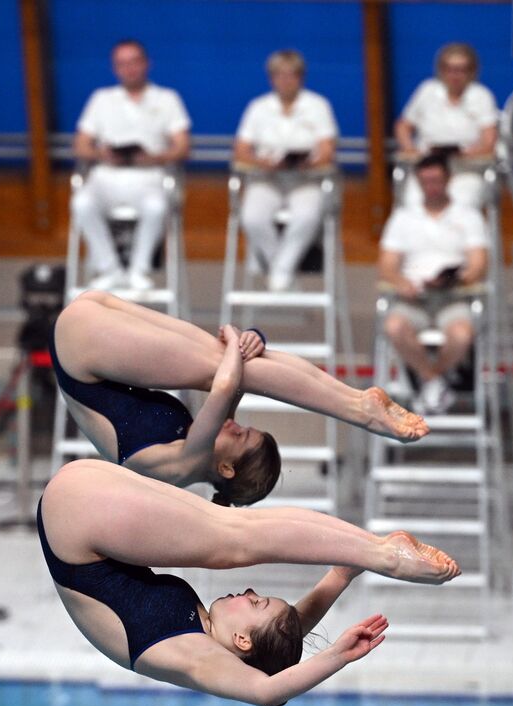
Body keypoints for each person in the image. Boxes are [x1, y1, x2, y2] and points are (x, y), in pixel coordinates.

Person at [37, 459, 459, 706]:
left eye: (256, 604)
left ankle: (380, 553)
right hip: (81, 506)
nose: (251, 593)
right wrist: (339, 576)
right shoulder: (216, 635)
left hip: (76, 517)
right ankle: (368, 551)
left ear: (240, 640)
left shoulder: (194, 656)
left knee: (235, 540)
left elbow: (266, 691)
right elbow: (283, 631)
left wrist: (336, 657)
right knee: (233, 530)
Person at [52, 291, 429, 505]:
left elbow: (225, 385)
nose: (235, 425)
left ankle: (358, 408)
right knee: (237, 361)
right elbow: (236, 384)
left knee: (228, 364)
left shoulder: (183, 465)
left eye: (241, 436)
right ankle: (357, 402)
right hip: (91, 316)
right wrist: (254, 338)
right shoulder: (206, 451)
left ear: (227, 469)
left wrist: (236, 339)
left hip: (81, 346)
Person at [71, 39, 191, 292]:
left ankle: (140, 268)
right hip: (107, 174)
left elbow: (182, 146)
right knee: (81, 202)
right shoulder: (101, 99)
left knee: (157, 206)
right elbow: (80, 145)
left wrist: (155, 157)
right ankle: (109, 268)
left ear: (147, 63)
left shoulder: (167, 98)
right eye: (122, 64)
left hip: (149, 175)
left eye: (135, 62)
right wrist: (101, 153)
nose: (130, 68)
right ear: (115, 68)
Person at [378, 155, 489, 414]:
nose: (432, 186)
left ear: (448, 180)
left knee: (462, 334)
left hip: (453, 296)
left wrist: (457, 278)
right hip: (413, 298)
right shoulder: (403, 218)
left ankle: (431, 380)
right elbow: (386, 266)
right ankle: (433, 380)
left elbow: (479, 264)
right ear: (418, 182)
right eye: (425, 181)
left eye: (436, 180)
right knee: (393, 326)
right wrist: (401, 282)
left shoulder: (469, 217)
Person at [233, 49, 339, 292]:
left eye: (291, 75)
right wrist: (261, 162)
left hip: (305, 178)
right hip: (266, 178)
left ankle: (281, 270)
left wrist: (309, 162)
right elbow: (241, 149)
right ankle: (280, 270)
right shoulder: (258, 107)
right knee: (252, 217)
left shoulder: (317, 105)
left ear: (301, 77)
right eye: (280, 75)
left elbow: (327, 149)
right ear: (271, 78)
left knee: (308, 216)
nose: (285, 81)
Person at [393, 42, 499, 211]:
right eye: (449, 69)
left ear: (472, 71)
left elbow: (489, 140)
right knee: (412, 202)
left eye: (461, 69)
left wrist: (466, 154)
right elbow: (403, 126)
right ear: (441, 70)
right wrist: (409, 148)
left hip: (465, 171)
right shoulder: (427, 91)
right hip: (428, 169)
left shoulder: (481, 96)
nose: (455, 75)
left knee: (462, 204)